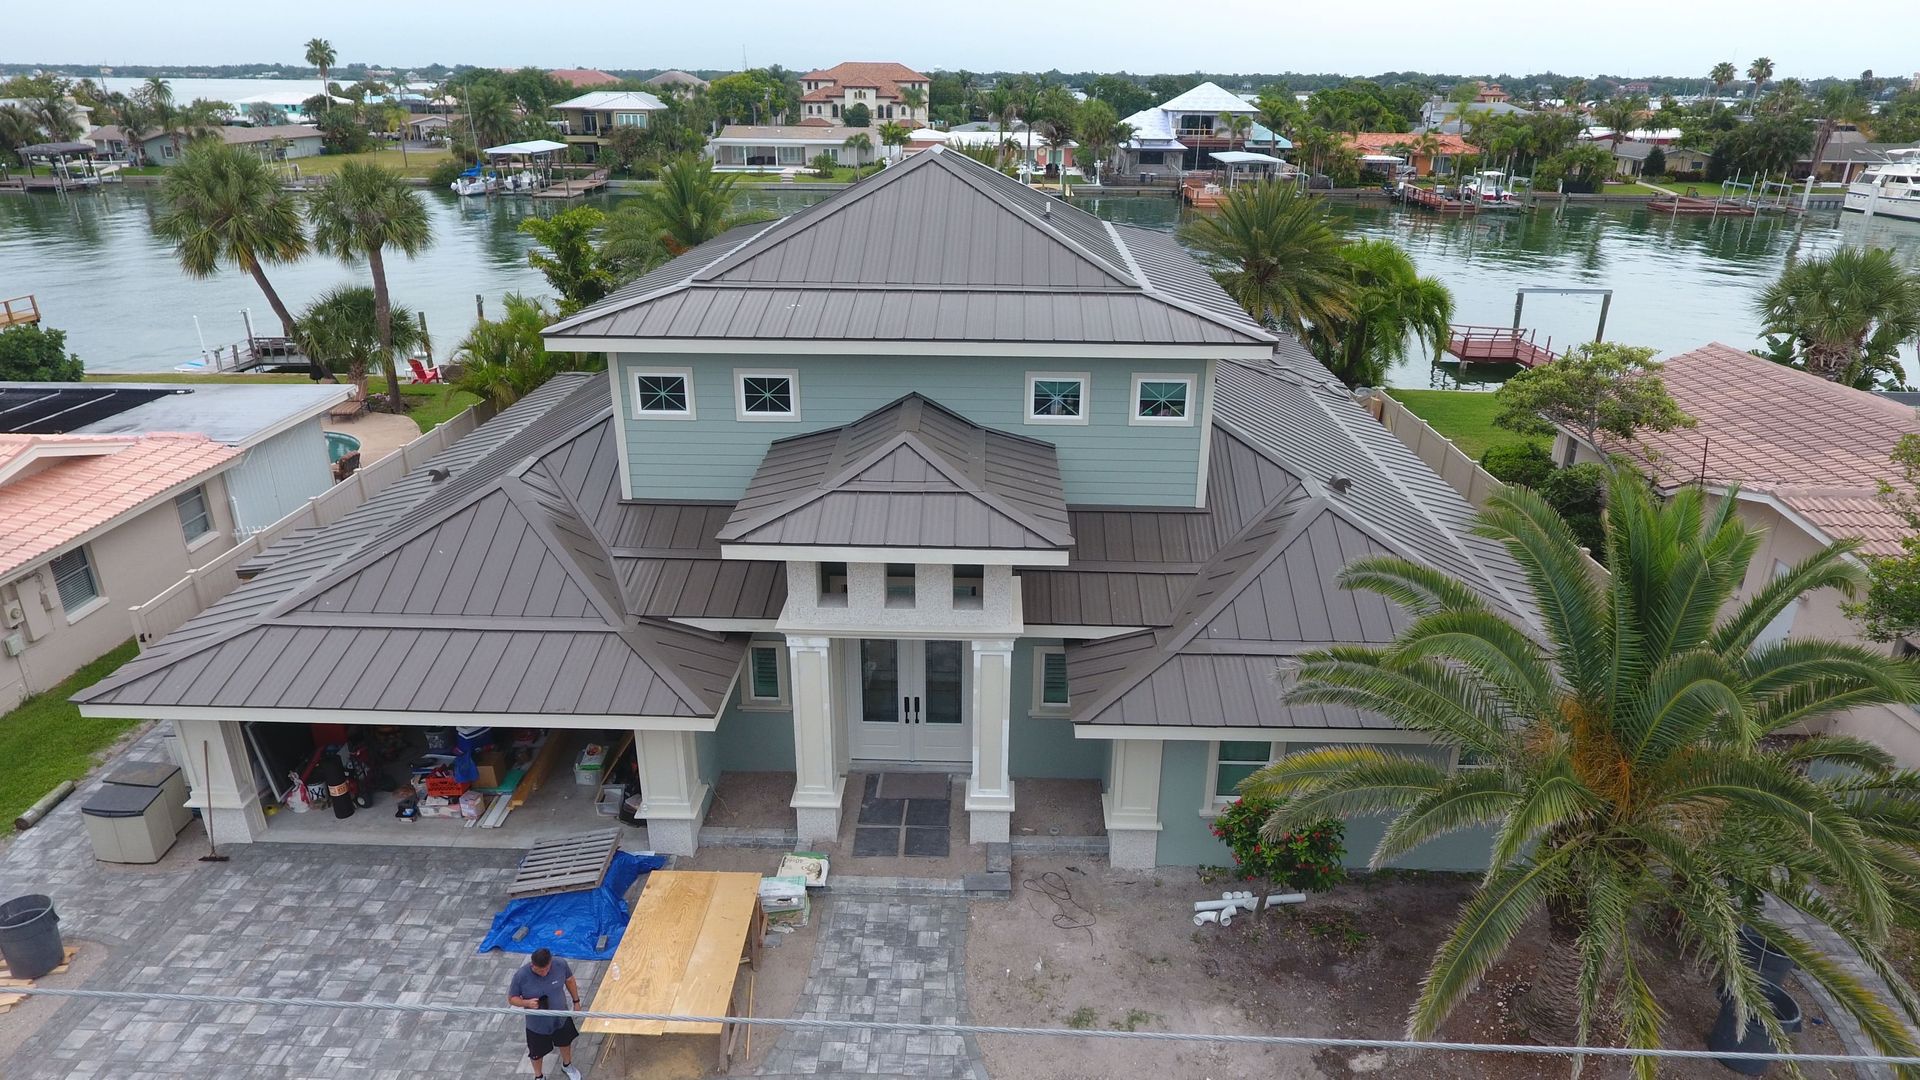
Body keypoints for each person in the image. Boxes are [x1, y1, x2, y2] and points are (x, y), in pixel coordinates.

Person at [508, 948, 582, 1080]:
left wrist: (576, 1001)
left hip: (561, 1016)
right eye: (539, 970)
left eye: (546, 969)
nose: (543, 973)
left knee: (565, 1042)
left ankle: (567, 1065)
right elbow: (512, 998)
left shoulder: (560, 964)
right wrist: (527, 1003)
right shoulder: (520, 976)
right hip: (537, 1024)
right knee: (536, 1053)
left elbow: (569, 980)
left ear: (551, 962)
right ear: (532, 965)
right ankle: (539, 1076)